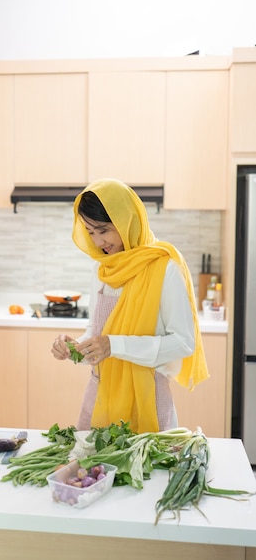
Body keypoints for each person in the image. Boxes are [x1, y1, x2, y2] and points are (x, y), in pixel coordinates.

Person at [51, 178, 209, 434]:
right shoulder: (102, 268)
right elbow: (96, 333)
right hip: (100, 393)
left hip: (147, 398)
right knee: (95, 471)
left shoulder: (165, 267)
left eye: (103, 230)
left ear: (127, 221)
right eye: (90, 233)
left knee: (148, 472)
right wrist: (75, 349)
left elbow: (183, 343)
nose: (98, 242)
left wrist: (114, 345)